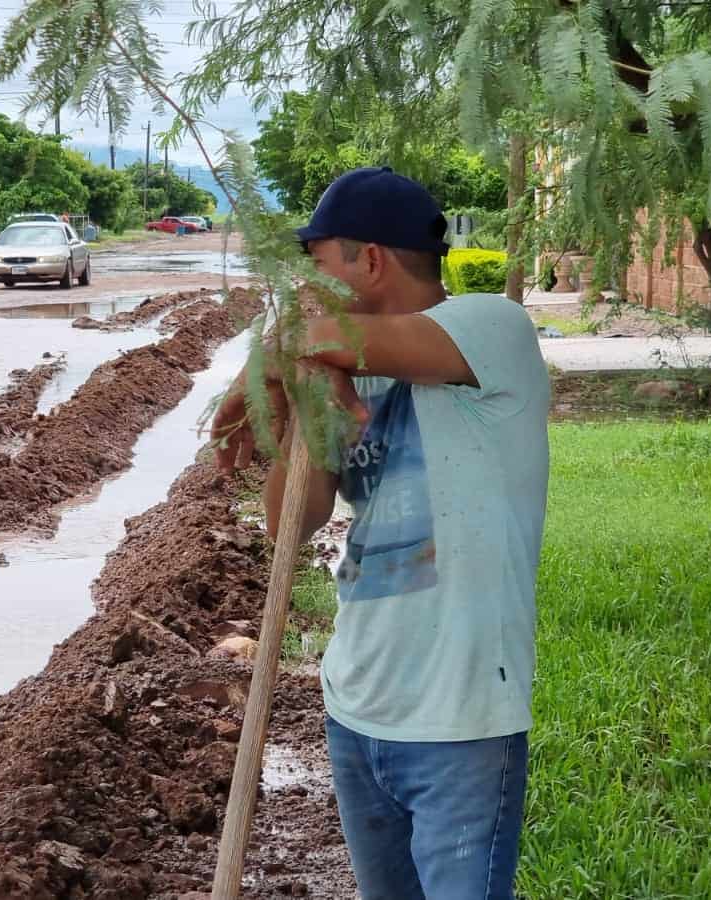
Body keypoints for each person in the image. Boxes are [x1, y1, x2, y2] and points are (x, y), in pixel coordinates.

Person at [210, 167, 550, 899]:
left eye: (319, 259)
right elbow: (288, 526)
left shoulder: (492, 328)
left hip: (459, 719)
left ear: (369, 260)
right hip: (356, 705)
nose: (307, 278)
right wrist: (300, 391)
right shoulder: (337, 362)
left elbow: (321, 331)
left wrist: (271, 362)